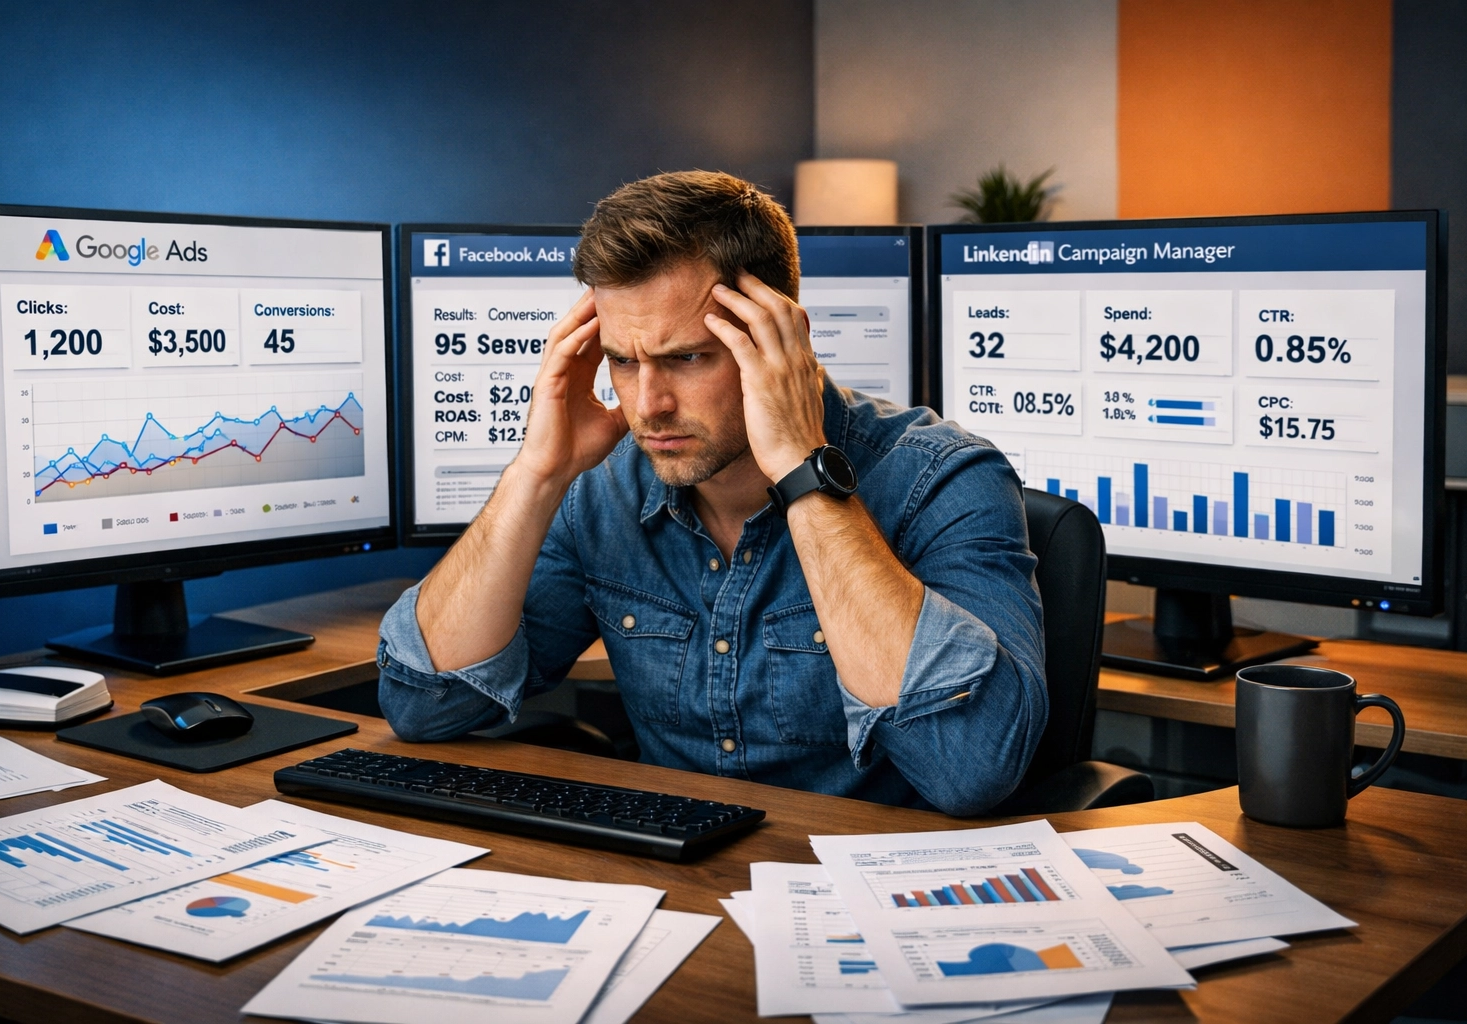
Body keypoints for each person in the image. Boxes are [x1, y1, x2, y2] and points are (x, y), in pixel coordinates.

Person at [377, 171, 1046, 815]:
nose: (648, 405)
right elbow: (426, 707)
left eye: (687, 358)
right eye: (624, 359)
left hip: (868, 892)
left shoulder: (941, 479)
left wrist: (802, 469)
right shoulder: (603, 490)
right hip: (682, 881)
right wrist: (538, 472)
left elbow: (970, 768)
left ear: (779, 338)